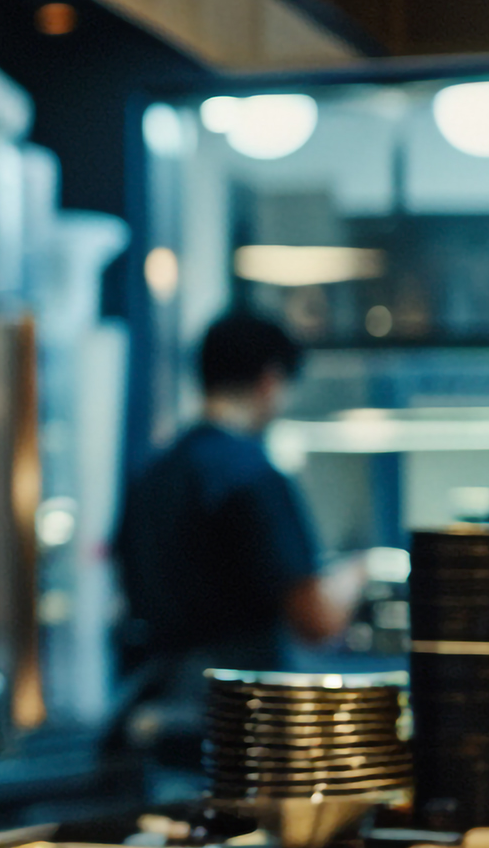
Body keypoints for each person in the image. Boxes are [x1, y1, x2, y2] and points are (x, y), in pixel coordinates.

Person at [110, 313, 367, 756]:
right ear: (270, 380)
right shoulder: (253, 474)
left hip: (158, 718)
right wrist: (359, 572)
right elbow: (316, 620)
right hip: (239, 726)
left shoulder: (153, 475)